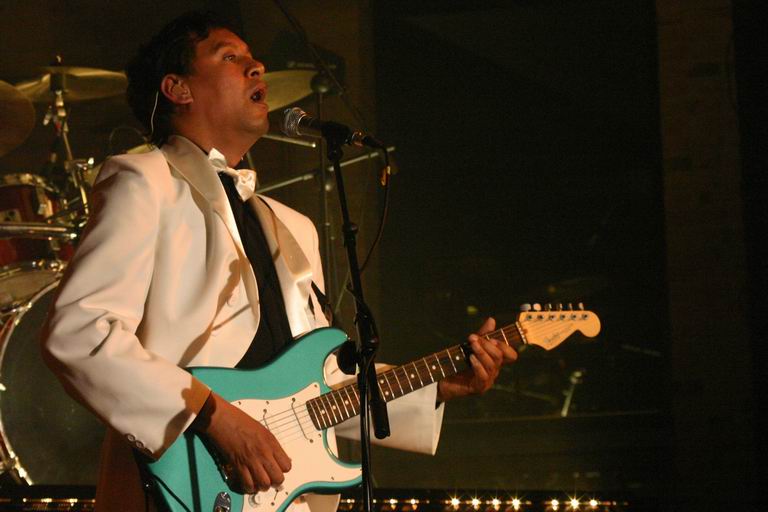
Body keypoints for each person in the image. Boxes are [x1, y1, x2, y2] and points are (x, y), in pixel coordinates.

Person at [41, 10, 517, 512]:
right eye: (230, 57)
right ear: (178, 88)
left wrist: (438, 385)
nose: (257, 67)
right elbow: (79, 332)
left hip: (289, 495)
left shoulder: (294, 226)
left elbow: (320, 391)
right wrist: (215, 416)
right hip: (182, 486)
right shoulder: (144, 182)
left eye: (252, 58)